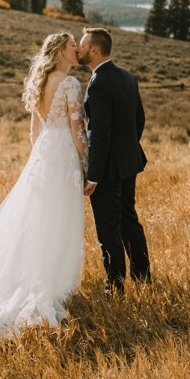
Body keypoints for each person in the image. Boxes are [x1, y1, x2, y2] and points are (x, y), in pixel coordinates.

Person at [0, 32, 88, 338]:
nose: (78, 51)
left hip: (43, 156)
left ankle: (24, 278)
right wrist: (86, 165)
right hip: (62, 157)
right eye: (74, 47)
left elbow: (35, 133)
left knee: (33, 222)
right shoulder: (70, 84)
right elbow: (77, 131)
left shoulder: (41, 82)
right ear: (62, 51)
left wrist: (39, 161)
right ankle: (47, 285)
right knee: (58, 222)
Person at [78, 26, 151, 292]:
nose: (79, 48)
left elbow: (99, 133)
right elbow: (138, 120)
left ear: (94, 50)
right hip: (129, 162)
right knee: (129, 219)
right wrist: (127, 149)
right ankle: (143, 278)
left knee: (108, 229)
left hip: (107, 169)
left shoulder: (98, 84)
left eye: (82, 44)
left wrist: (94, 174)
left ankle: (115, 286)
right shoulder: (127, 77)